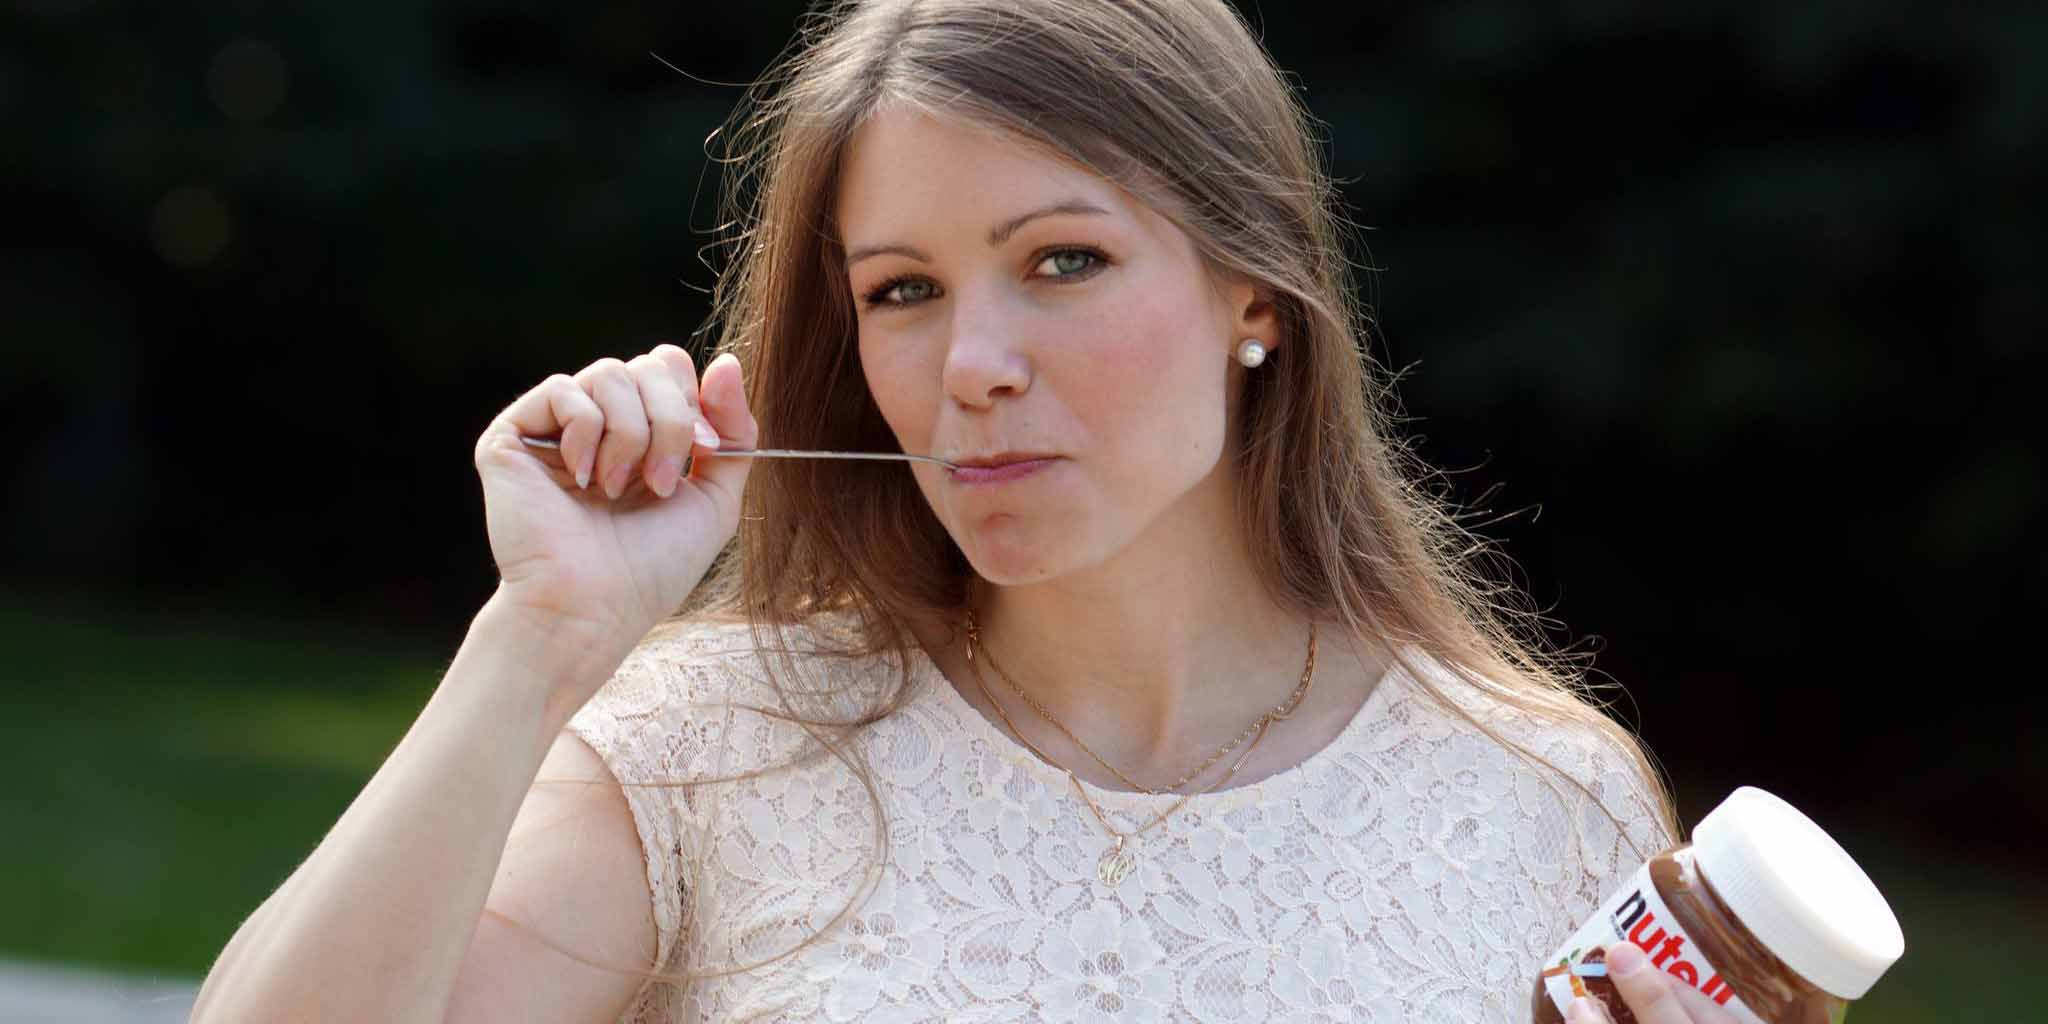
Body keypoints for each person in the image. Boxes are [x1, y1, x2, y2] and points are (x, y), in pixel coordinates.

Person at [192, 1, 1697, 1021]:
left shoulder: (1543, 800)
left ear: (1254, 293)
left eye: (1061, 262)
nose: (973, 365)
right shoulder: (717, 749)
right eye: (903, 291)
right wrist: (538, 639)